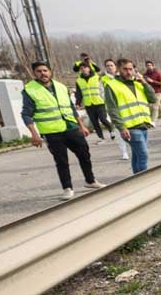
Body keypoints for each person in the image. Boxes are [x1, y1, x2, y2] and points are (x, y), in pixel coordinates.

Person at [23, 62, 104, 199]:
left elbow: (71, 107)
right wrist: (34, 135)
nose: (43, 73)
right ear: (34, 74)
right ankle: (67, 188)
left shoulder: (61, 87)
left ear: (50, 71)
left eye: (45, 70)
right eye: (39, 71)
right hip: (52, 132)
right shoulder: (30, 90)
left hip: (71, 127)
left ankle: (90, 181)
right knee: (61, 161)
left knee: (84, 154)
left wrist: (81, 126)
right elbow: (26, 114)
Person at [105, 58, 159, 173]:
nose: (129, 72)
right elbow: (112, 109)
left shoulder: (138, 84)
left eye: (131, 69)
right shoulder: (112, 85)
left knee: (136, 155)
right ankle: (143, 181)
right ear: (118, 69)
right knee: (143, 155)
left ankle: (136, 179)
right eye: (125, 69)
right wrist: (121, 127)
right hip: (130, 128)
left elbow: (153, 99)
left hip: (143, 125)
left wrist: (144, 82)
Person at [99, 58, 132, 160]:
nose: (109, 67)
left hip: (126, 106)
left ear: (115, 67)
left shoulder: (121, 77)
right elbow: (101, 93)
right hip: (113, 108)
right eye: (107, 65)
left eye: (111, 65)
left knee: (131, 129)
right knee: (119, 130)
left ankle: (133, 147)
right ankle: (124, 151)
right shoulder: (103, 79)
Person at [74, 62, 114, 143]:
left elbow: (103, 89)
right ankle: (101, 138)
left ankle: (111, 129)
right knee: (94, 122)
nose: (83, 70)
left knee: (103, 119)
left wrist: (106, 99)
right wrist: (78, 103)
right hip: (88, 104)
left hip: (99, 102)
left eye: (85, 67)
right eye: (81, 68)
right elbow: (79, 93)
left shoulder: (97, 77)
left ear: (89, 68)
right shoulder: (79, 81)